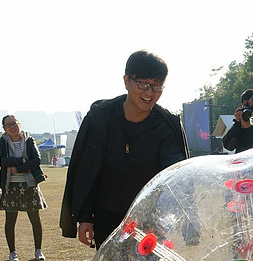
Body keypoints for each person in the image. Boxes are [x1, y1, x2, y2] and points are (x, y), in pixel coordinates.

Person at [60, 50, 188, 249]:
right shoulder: (100, 119)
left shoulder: (166, 125)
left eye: (156, 86)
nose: (149, 92)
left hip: (152, 222)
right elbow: (86, 170)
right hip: (108, 218)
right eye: (143, 84)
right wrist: (86, 217)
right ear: (126, 80)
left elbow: (174, 172)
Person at [0, 115, 46, 261]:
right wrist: (24, 161)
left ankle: (38, 251)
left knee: (35, 218)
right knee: (10, 220)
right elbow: (1, 161)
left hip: (29, 184)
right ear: (4, 128)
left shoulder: (29, 140)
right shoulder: (1, 142)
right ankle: (12, 253)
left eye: (15, 123)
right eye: (8, 125)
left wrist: (17, 168)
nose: (13, 127)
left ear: (19, 124)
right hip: (10, 185)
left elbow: (36, 160)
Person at [222, 89, 253, 153]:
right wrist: (237, 123)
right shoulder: (239, 125)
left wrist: (248, 128)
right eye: (245, 106)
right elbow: (228, 146)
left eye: (250, 106)